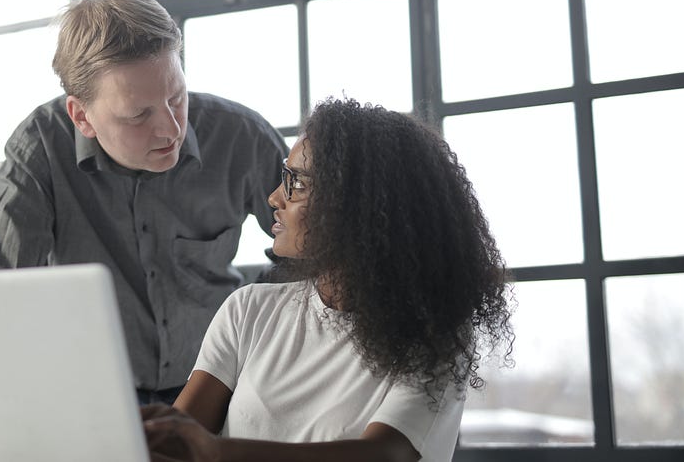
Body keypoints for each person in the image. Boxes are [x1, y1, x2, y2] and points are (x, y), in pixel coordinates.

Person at [142, 98, 515, 462]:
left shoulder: (435, 335)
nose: (274, 198)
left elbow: (387, 453)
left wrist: (215, 451)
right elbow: (180, 440)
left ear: (357, 204)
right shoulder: (248, 310)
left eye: (297, 183)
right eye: (282, 178)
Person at [0, 0, 288, 406]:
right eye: (139, 115)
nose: (172, 129)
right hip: (92, 397)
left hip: (225, 386)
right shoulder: (40, 150)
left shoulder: (241, 138)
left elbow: (322, 250)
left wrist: (259, 318)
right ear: (82, 116)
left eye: (177, 98)